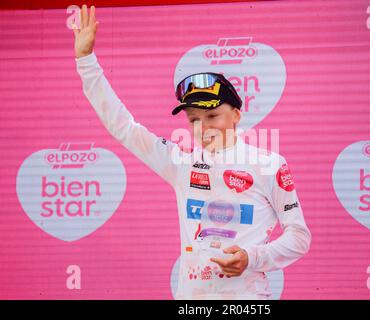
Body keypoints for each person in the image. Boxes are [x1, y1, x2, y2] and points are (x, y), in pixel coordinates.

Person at [73, 4, 311, 300]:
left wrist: (252, 257)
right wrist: (86, 61)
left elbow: (299, 238)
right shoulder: (181, 163)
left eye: (212, 117)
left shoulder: (269, 164)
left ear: (237, 115)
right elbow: (123, 126)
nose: (203, 127)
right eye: (194, 119)